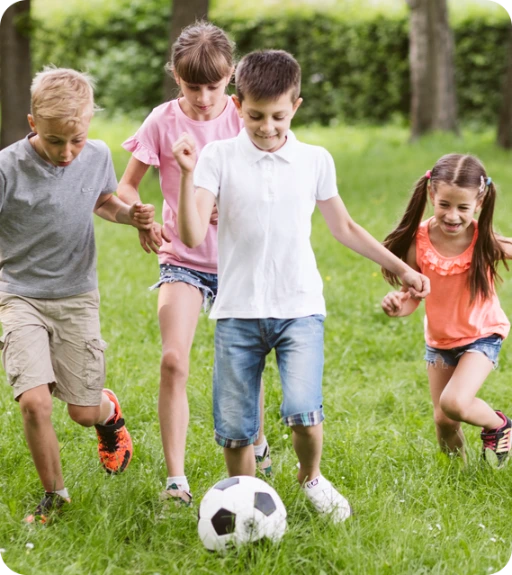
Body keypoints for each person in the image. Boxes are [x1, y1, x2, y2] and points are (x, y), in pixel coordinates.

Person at [172, 49, 430, 522]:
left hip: (299, 308)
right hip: (237, 310)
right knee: (235, 429)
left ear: (297, 106)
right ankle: (247, 499)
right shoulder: (217, 156)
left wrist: (403, 268)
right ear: (236, 104)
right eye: (254, 116)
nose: (267, 126)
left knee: (304, 413)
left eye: (278, 115)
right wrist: (188, 176)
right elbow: (190, 234)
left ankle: (310, 478)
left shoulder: (314, 159)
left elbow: (345, 227)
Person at [118, 22, 271, 507]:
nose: (205, 97)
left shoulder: (247, 120)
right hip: (182, 259)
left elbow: (274, 179)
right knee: (173, 360)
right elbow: (127, 187)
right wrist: (137, 214)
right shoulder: (161, 122)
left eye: (215, 85)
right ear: (175, 78)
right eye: (192, 86)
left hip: (238, 260)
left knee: (246, 367)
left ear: (231, 77)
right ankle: (177, 480)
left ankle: (258, 439)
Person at [0, 67, 155, 524]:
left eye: (77, 140)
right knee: (34, 400)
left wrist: (134, 217)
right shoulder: (7, 168)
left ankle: (108, 415)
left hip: (76, 296)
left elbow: (104, 201)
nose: (67, 153)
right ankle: (56, 496)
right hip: (18, 295)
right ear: (32, 124)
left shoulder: (97, 156)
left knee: (82, 413)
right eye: (53, 141)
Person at [381, 154, 512, 466]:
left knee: (454, 402)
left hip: (482, 335)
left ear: (478, 203)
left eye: (463, 207)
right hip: (440, 341)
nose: (453, 216)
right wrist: (399, 305)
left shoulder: (483, 240)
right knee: (444, 420)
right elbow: (413, 297)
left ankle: (499, 425)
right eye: (445, 205)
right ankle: (456, 477)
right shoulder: (418, 243)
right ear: (431, 196)